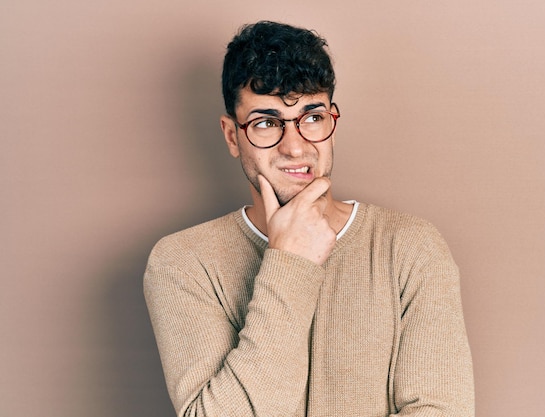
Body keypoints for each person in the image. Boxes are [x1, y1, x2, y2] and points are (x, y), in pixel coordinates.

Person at [144, 20, 474, 417]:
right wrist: (291, 263)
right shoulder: (182, 263)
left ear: (332, 123)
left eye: (312, 117)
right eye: (266, 123)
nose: (295, 146)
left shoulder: (410, 246)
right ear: (232, 136)